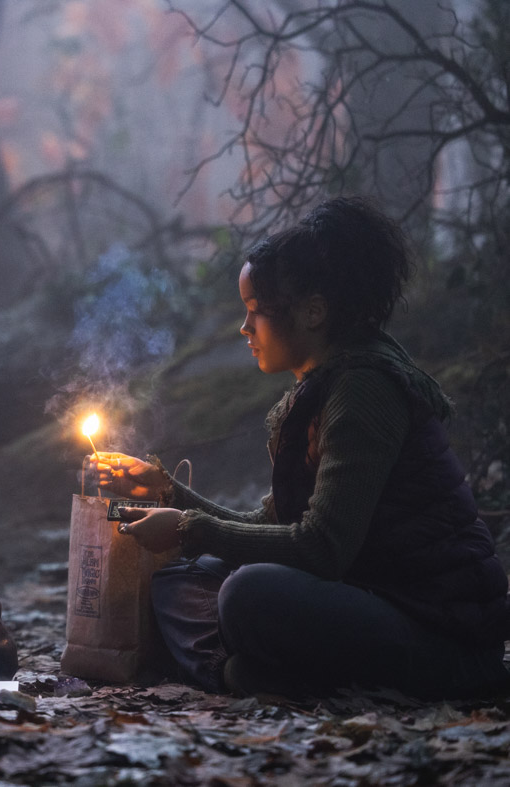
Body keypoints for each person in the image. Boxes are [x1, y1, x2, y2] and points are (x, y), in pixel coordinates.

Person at [95, 196, 510, 699]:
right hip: (371, 599)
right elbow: (273, 525)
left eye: (255, 312)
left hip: (440, 636)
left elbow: (321, 549)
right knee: (179, 579)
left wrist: (188, 528)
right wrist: (169, 493)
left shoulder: (363, 390)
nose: (245, 329)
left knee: (248, 594)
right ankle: (260, 673)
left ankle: (239, 674)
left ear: (313, 312)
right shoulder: (324, 386)